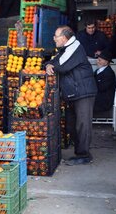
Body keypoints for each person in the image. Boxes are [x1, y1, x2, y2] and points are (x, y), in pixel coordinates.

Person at [46, 26, 97, 166]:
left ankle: (84, 155)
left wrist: (52, 65)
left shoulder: (75, 46)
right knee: (71, 124)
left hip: (83, 92)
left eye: (56, 36)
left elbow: (62, 66)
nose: (54, 38)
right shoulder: (66, 48)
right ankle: (79, 152)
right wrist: (49, 64)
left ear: (64, 37)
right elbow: (55, 60)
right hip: (74, 92)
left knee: (82, 124)